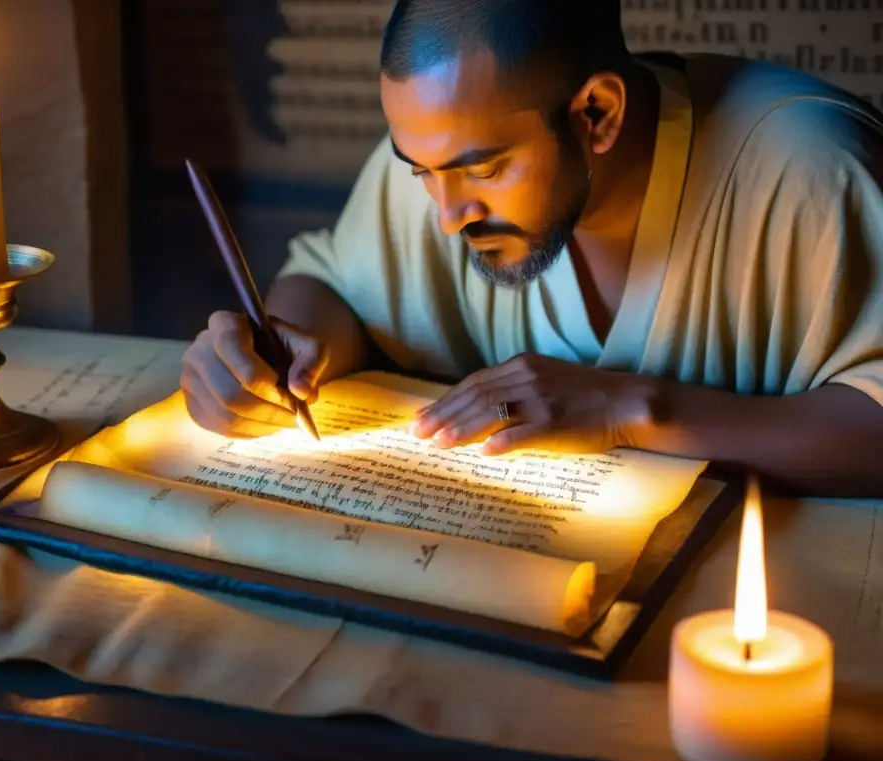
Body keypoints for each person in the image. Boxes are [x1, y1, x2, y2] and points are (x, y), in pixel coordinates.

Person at [180, 0, 883, 497]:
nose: (449, 215)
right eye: (421, 170)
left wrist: (627, 411)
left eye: (484, 169)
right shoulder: (443, 156)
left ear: (596, 115)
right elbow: (331, 282)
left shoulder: (812, 168)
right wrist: (285, 345)